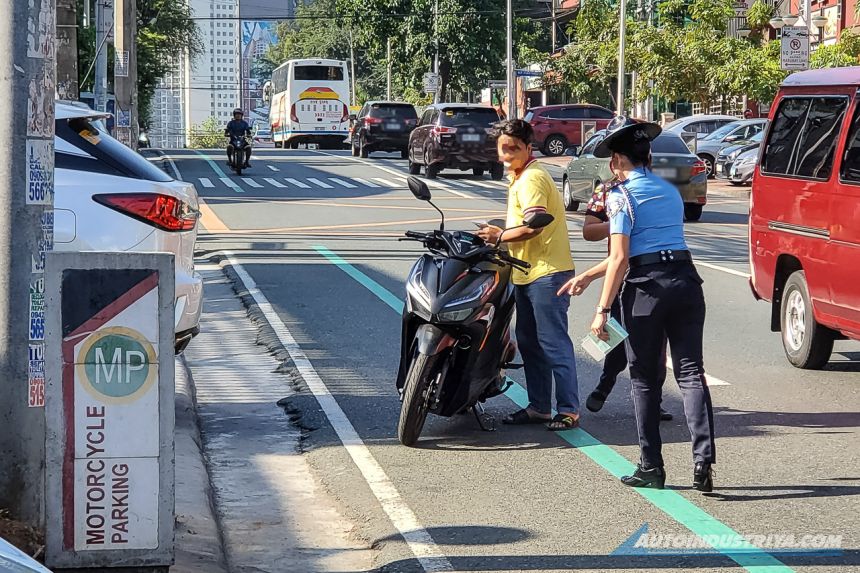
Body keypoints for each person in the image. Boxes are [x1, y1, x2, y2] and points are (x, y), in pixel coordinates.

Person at [558, 116, 716, 492]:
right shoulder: (669, 191)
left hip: (647, 290)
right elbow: (650, 246)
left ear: (616, 161)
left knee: (644, 380)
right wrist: (588, 276)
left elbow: (620, 257)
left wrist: (601, 311)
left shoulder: (619, 196)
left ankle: (651, 466)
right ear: (649, 158)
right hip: (686, 281)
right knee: (691, 373)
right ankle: (703, 462)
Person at [477, 119, 580, 431]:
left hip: (547, 273)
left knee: (553, 344)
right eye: (502, 149)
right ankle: (539, 407)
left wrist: (499, 236)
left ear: (528, 148)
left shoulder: (533, 177)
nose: (506, 155)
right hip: (526, 272)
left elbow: (535, 224)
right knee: (531, 344)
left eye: (513, 149)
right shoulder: (519, 176)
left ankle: (568, 410)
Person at [582, 179, 673, 423]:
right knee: (618, 336)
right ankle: (606, 382)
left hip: (656, 277)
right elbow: (589, 231)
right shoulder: (608, 190)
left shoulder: (659, 188)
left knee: (656, 344)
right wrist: (619, 222)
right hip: (622, 276)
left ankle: (654, 401)